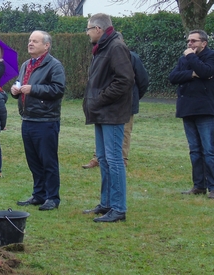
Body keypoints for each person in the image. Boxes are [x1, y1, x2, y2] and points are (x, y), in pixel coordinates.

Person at [82, 14, 135, 222]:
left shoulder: (116, 47)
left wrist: (100, 99)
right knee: (103, 159)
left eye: (88, 29)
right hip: (101, 112)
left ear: (98, 29)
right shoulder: (103, 48)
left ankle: (119, 208)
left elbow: (125, 80)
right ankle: (106, 204)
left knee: (114, 160)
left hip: (111, 112)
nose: (87, 33)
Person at [11, 30, 66, 211]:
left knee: (47, 160)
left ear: (46, 45)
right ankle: (39, 194)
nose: (30, 43)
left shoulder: (54, 66)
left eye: (35, 41)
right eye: (29, 40)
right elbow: (21, 84)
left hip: (45, 120)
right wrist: (15, 90)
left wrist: (33, 89)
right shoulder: (26, 64)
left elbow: (58, 90)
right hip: (27, 118)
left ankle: (52, 197)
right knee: (33, 160)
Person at [168, 29, 214, 200]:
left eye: (194, 41)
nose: (189, 44)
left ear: (204, 43)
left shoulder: (213, 56)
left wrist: (191, 58)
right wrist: (191, 73)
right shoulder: (183, 59)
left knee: (209, 151)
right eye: (188, 41)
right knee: (195, 151)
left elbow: (206, 72)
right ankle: (199, 185)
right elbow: (173, 77)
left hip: (205, 110)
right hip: (187, 109)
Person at [82, 37, 149, 169]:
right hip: (107, 102)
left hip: (126, 102)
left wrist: (134, 97)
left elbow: (143, 80)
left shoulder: (132, 57)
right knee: (102, 130)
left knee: (125, 131)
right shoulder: (100, 55)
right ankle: (98, 158)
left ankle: (122, 158)